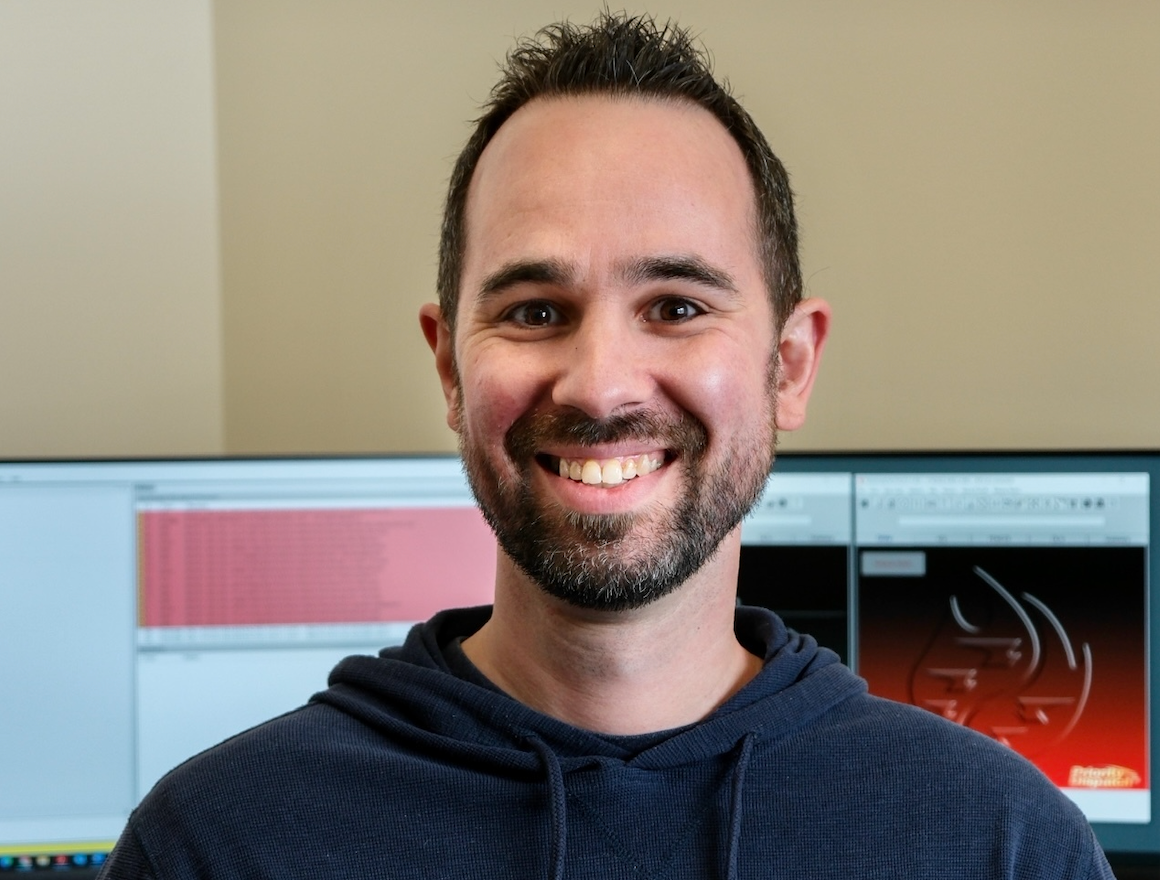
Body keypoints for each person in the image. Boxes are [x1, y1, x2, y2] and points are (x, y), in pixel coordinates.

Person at [98, 12, 1114, 879]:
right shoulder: (217, 844)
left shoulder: (1001, 844)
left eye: (674, 305)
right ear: (449, 370)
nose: (599, 384)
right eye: (536, 310)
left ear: (789, 365)